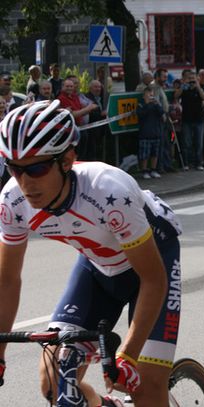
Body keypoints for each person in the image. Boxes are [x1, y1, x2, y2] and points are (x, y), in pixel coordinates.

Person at [0, 100, 182, 406]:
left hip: (154, 264)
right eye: (13, 168)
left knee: (144, 386)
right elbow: (6, 281)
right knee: (54, 380)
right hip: (99, 267)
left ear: (67, 159)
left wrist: (127, 356)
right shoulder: (12, 202)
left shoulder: (109, 192)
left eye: (37, 167)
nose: (24, 182)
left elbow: (153, 280)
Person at [137, 87, 164, 179]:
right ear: (144, 95)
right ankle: (144, 171)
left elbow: (161, 112)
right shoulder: (141, 104)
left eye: (152, 95)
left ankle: (153, 169)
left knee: (154, 153)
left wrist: (157, 104)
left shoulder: (155, 104)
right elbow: (141, 114)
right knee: (144, 154)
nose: (151, 96)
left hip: (155, 132)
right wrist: (147, 104)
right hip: (145, 133)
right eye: (149, 94)